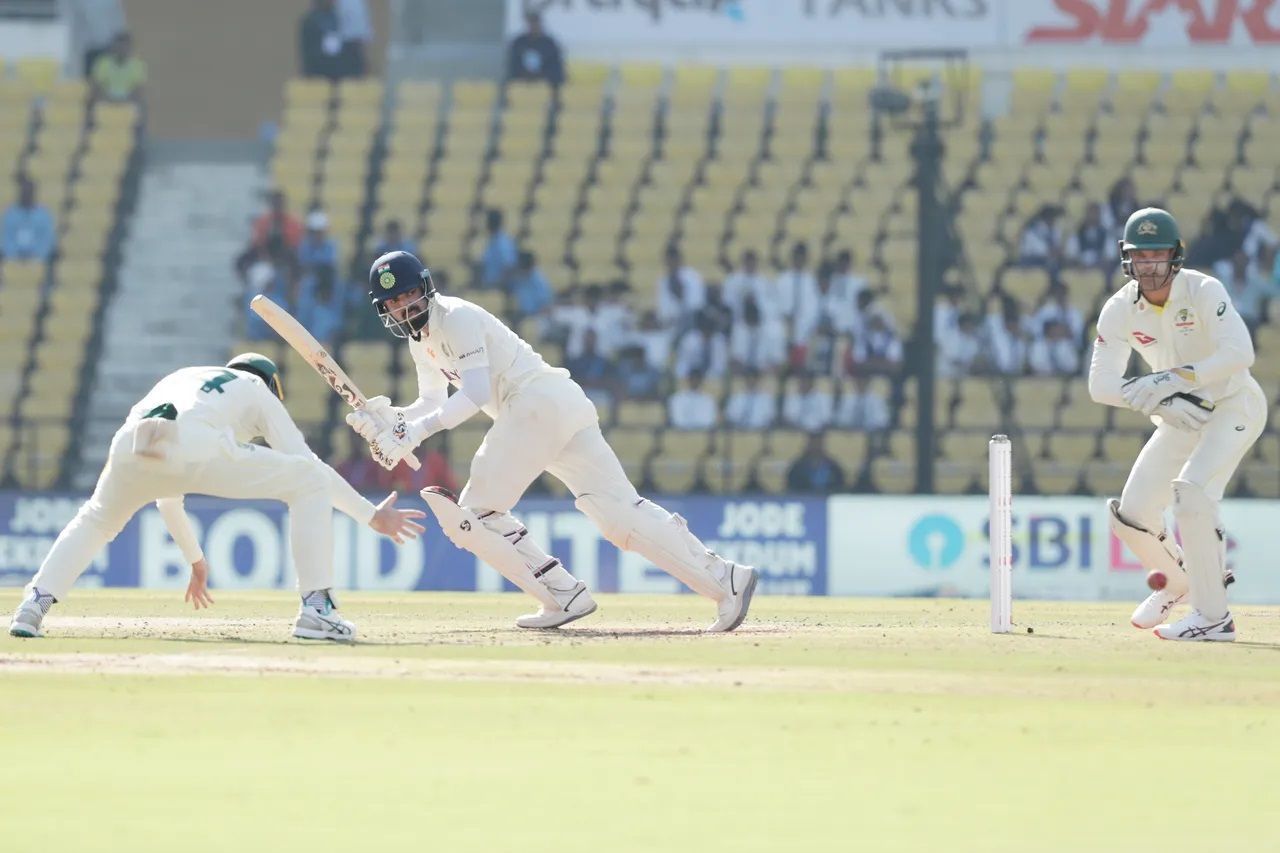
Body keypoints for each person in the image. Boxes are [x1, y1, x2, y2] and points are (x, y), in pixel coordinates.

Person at [348, 251, 758, 632]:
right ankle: (727, 580)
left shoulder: (454, 318)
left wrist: (414, 433)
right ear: (383, 309)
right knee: (619, 516)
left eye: (409, 295)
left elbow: (472, 395)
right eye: (394, 302)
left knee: (476, 516)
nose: (405, 307)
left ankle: (563, 595)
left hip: (535, 403)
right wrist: (390, 420)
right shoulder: (421, 341)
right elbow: (431, 401)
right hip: (556, 406)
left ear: (425, 287)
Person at [8, 354, 424, 641]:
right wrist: (371, 517)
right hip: (196, 442)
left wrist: (196, 562)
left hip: (132, 442)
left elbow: (167, 496)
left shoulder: (187, 377)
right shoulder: (256, 388)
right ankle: (317, 608)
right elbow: (306, 462)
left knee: (96, 520)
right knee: (309, 479)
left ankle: (33, 605)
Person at [1088, 207, 1266, 641]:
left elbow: (1240, 353)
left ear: (1176, 255)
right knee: (1130, 515)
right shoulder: (1119, 309)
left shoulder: (1204, 290)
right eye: (1140, 256)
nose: (1149, 265)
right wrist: (1158, 401)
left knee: (1191, 497)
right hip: (1179, 416)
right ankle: (1178, 581)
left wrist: (1170, 380)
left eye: (1157, 255)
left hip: (1233, 405)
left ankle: (1213, 618)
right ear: (1127, 258)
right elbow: (1100, 385)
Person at [2, 177, 56, 263]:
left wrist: (36, 255)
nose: (26, 195)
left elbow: (47, 240)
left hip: (38, 261)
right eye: (24, 192)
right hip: (12, 261)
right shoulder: (10, 215)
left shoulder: (44, 215)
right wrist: (15, 255)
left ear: (34, 193)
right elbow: (5, 239)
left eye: (29, 192)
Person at [506, 11, 565, 88]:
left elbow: (555, 64)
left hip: (545, 78)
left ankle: (555, 98)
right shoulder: (519, 42)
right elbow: (512, 61)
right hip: (520, 78)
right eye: (531, 23)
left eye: (536, 23)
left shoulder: (549, 43)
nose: (534, 26)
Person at [90, 31, 146, 107]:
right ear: (114, 47)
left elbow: (138, 89)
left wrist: (125, 100)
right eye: (119, 46)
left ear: (130, 48)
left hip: (129, 101)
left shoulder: (137, 65)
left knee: (142, 103)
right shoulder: (103, 63)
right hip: (105, 101)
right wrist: (109, 99)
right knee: (92, 100)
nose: (122, 50)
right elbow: (97, 86)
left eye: (125, 46)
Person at [299, 0, 344, 80]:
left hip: (341, 75)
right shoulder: (309, 22)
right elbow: (307, 55)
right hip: (317, 76)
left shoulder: (342, 20)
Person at [479, 209, 518, 290]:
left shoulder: (503, 243)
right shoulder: (491, 241)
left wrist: (498, 286)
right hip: (490, 285)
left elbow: (508, 267)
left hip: (498, 288)